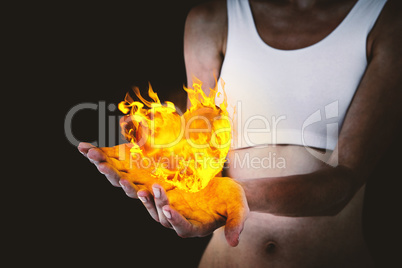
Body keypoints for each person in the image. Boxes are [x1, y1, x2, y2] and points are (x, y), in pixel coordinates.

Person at [78, 0, 402, 267]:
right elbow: (201, 154)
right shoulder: (211, 20)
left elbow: (343, 182)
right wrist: (162, 168)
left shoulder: (384, 21)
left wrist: (239, 196)